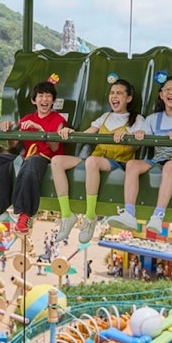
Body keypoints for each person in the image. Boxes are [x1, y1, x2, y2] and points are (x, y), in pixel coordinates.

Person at [107, 76, 172, 233]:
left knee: (170, 167)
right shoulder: (153, 118)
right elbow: (137, 144)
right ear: (161, 95)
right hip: (158, 159)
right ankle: (129, 213)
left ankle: (158, 215)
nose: (171, 92)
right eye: (167, 89)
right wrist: (137, 135)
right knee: (132, 165)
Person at [50, 79, 142, 242]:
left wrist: (128, 137)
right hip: (97, 158)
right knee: (57, 161)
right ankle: (66, 215)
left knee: (92, 161)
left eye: (119, 93)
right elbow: (87, 134)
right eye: (112, 93)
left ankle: (90, 216)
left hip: (118, 161)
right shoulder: (105, 117)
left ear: (128, 98)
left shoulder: (137, 119)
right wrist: (71, 132)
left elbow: (136, 146)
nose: (114, 96)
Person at [0, 80, 67, 234]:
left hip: (45, 158)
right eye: (40, 96)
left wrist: (40, 130)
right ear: (34, 100)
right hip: (27, 156)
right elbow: (14, 146)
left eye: (48, 96)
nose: (44, 99)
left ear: (53, 101)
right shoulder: (26, 119)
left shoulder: (58, 121)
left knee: (31, 162)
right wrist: (9, 130)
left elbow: (55, 147)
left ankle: (25, 214)